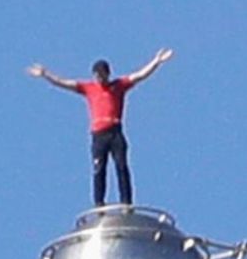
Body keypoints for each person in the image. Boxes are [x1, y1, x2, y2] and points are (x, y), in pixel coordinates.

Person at [27, 49, 174, 206]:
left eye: (102, 75)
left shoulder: (119, 86)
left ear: (107, 74)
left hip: (115, 131)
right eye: (96, 75)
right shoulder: (88, 88)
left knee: (121, 166)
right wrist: (46, 74)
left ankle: (126, 202)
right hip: (99, 135)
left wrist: (156, 62)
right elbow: (64, 83)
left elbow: (139, 75)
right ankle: (99, 203)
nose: (99, 78)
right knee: (99, 169)